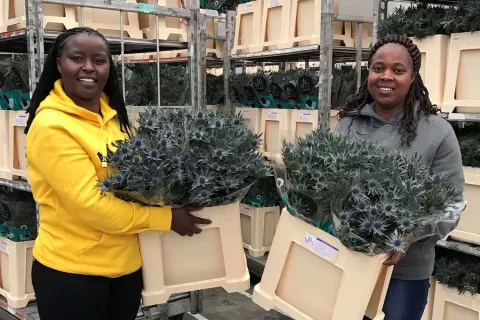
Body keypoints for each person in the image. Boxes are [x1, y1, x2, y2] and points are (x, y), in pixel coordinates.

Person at [24, 27, 211, 320]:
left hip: (125, 268)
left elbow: (136, 181)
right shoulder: (52, 126)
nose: (89, 67)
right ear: (59, 64)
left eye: (99, 60)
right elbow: (93, 207)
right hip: (73, 274)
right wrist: (168, 218)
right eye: (77, 58)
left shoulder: (113, 117)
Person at [335, 34, 465, 320]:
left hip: (403, 273)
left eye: (398, 69)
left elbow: (452, 205)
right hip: (345, 259)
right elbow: (332, 187)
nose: (386, 76)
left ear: (413, 77)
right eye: (378, 68)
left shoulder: (437, 133)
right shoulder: (348, 123)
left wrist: (408, 235)